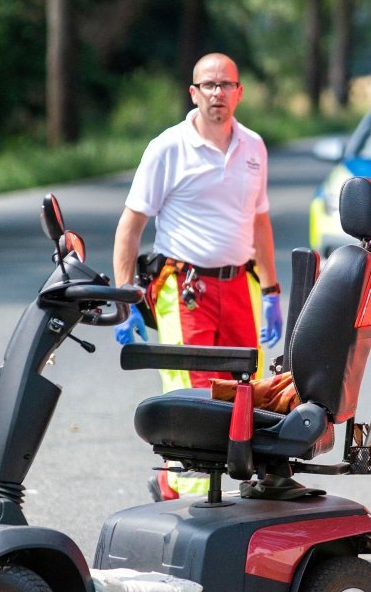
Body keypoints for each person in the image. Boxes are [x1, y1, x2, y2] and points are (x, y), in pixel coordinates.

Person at [112, 53, 282, 500]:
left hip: (240, 284)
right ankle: (181, 494)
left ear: (239, 93)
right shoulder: (168, 147)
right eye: (208, 85)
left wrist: (271, 289)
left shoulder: (253, 148)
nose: (217, 94)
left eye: (226, 85)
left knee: (247, 390)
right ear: (193, 93)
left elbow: (260, 222)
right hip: (186, 288)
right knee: (194, 393)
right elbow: (130, 226)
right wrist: (125, 299)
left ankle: (228, 489)